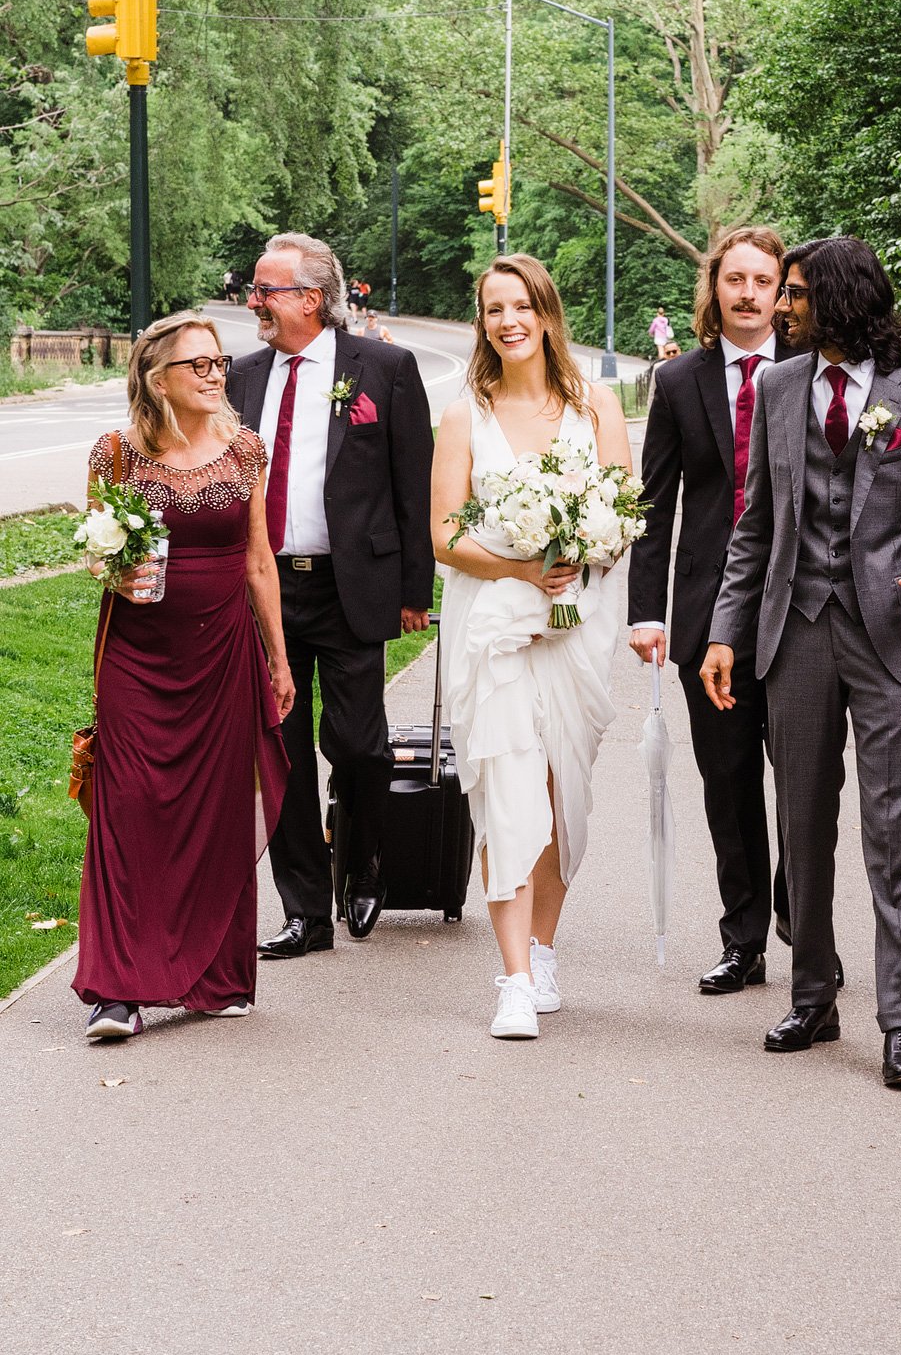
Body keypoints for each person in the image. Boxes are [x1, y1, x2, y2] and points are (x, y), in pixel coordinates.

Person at [702, 236, 901, 1090]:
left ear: (841, 299)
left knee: (891, 835)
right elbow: (755, 525)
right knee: (803, 828)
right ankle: (812, 997)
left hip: (887, 639)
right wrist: (725, 632)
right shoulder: (780, 387)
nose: (780, 306)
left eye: (794, 293)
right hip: (795, 635)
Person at [73, 313, 293, 1040]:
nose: (214, 374)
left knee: (217, 817)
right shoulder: (116, 454)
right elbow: (97, 553)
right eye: (197, 364)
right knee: (130, 811)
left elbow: (259, 561)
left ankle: (214, 978)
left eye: (218, 362)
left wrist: (278, 658)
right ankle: (117, 992)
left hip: (223, 656)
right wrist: (114, 573)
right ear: (156, 378)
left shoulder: (246, 450)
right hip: (137, 660)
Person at [433, 254, 632, 1040]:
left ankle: (543, 951)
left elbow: (624, 514)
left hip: (574, 626)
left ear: (547, 315)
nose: (509, 321)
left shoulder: (596, 406)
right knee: (505, 791)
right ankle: (513, 979)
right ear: (482, 324)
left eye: (522, 306)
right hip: (493, 627)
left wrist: (581, 546)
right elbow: (445, 534)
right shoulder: (465, 416)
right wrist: (519, 566)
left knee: (558, 795)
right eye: (494, 310)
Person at [225, 233, 433, 959]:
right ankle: (306, 912)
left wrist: (415, 587)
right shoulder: (242, 376)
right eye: (255, 290)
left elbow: (412, 482)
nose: (254, 302)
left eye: (266, 290)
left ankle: (364, 858)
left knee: (360, 745)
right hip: (266, 589)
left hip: (353, 587)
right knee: (280, 752)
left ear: (312, 298)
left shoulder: (384, 368)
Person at [629, 225, 797, 995]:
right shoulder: (677, 381)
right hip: (706, 616)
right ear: (715, 288)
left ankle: (802, 914)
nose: (749, 294)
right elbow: (654, 506)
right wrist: (647, 612)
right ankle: (743, 940)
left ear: (782, 292)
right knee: (728, 784)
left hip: (799, 611)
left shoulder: (813, 371)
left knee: (804, 779)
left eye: (764, 281)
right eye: (736, 279)